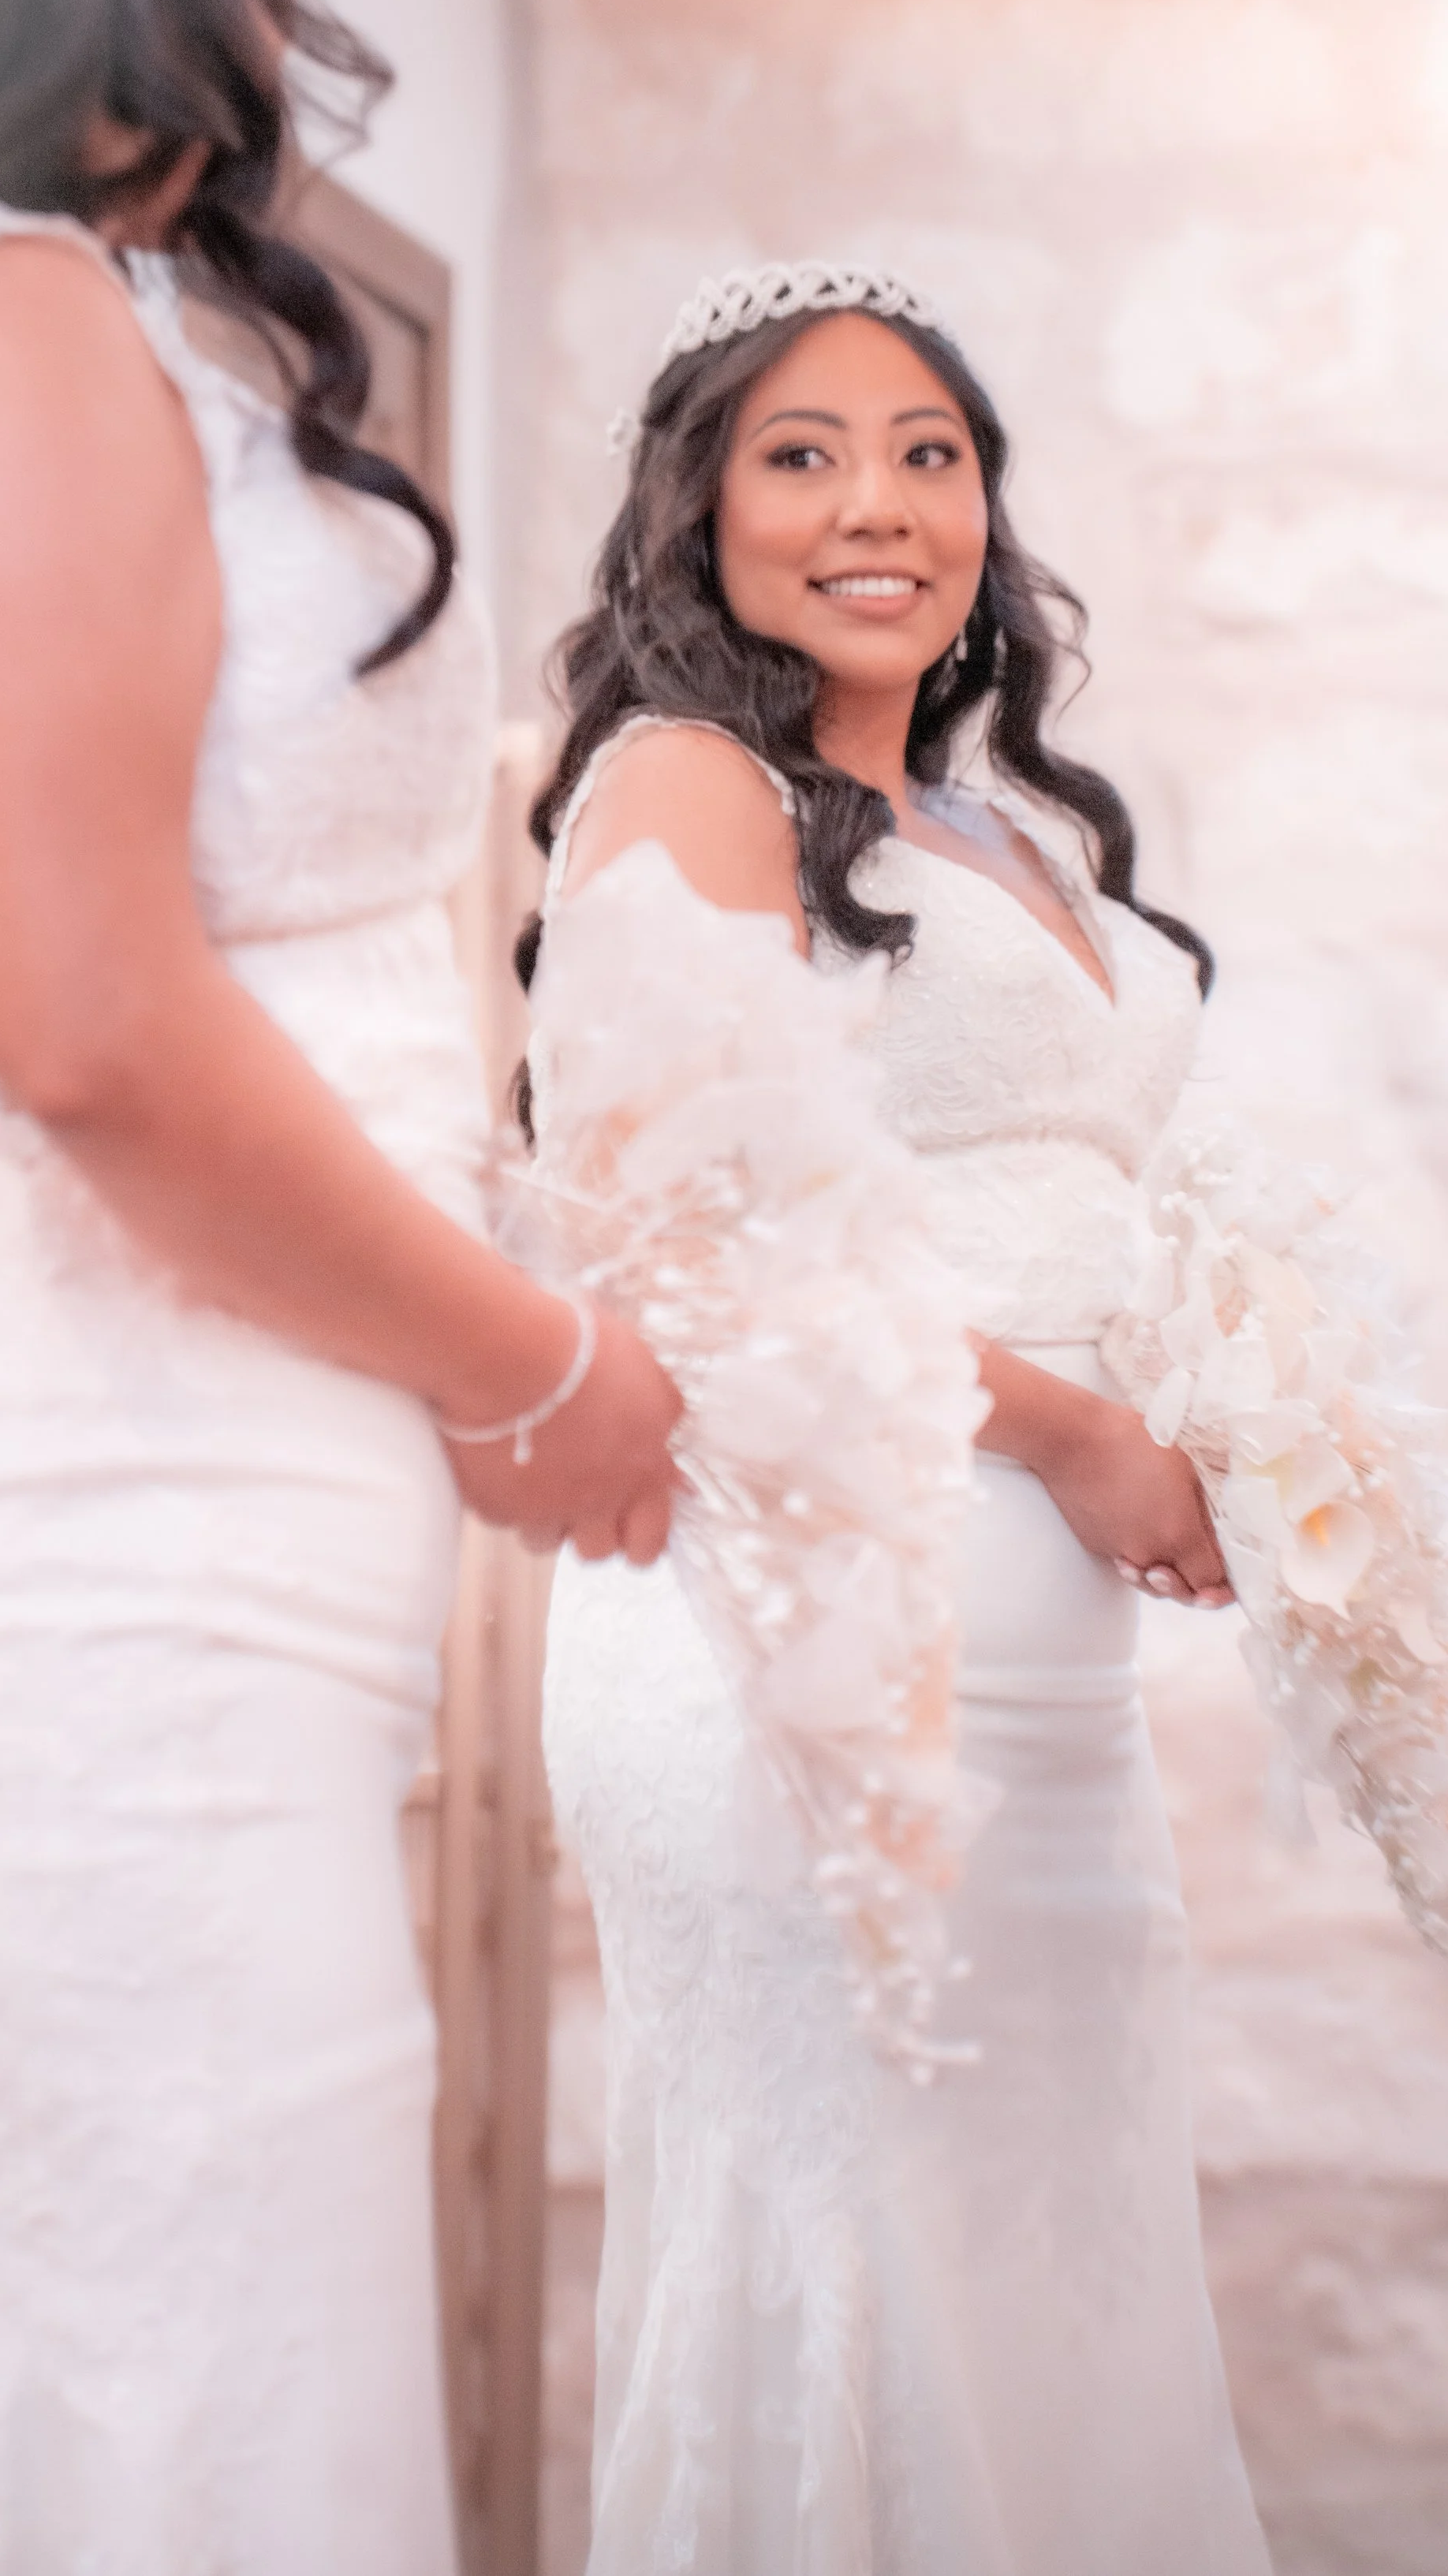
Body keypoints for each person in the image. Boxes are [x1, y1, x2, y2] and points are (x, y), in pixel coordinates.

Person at [0, 0, 677, 2568]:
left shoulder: (15, 323)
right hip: (61, 1570)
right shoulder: (11, 327)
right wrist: (532, 1370)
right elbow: (94, 1029)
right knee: (137, 2352)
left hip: (147, 1550)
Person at [524, 266, 1274, 2571]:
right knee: (859, 2244)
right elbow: (688, 1250)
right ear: (698, 507)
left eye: (927, 452)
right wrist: (1069, 1432)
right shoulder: (681, 783)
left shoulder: (998, 829)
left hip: (1037, 1680)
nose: (879, 502)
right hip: (799, 1635)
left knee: (1047, 2269)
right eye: (803, 450)